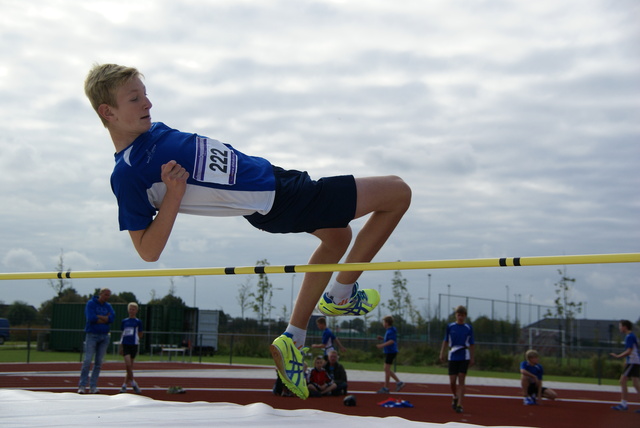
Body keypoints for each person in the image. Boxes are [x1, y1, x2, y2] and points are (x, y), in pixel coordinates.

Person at [84, 64, 411, 400]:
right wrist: (174, 196)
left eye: (146, 94)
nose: (148, 104)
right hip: (280, 200)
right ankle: (341, 296)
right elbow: (147, 250)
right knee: (399, 192)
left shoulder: (152, 132)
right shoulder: (127, 174)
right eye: (135, 98)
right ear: (108, 112)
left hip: (275, 181)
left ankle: (294, 338)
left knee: (339, 236)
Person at [78, 288, 115, 394]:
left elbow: (112, 319)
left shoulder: (108, 306)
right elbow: (91, 318)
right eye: (105, 294)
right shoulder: (91, 304)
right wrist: (104, 318)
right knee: (87, 360)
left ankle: (93, 386)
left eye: (108, 295)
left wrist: (100, 318)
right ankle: (82, 385)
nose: (107, 297)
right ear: (100, 294)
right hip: (92, 335)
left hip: (104, 336)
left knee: (98, 362)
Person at [439, 305, 475, 413]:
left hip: (464, 354)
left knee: (461, 378)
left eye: (462, 315)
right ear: (456, 315)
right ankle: (455, 396)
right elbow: (445, 340)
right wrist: (442, 353)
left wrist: (472, 358)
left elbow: (472, 344)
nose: (460, 317)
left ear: (465, 316)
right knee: (452, 381)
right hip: (453, 355)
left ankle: (460, 404)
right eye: (459, 315)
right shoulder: (450, 326)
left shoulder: (468, 328)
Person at [609, 319, 640, 412]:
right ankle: (623, 404)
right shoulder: (631, 336)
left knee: (622, 381)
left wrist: (618, 356)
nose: (619, 328)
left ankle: (623, 404)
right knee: (635, 384)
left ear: (625, 327)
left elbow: (629, 351)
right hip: (634, 361)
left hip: (633, 362)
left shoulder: (629, 336)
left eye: (620, 326)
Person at [376, 315, 405, 393]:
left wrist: (382, 345)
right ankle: (398, 382)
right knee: (386, 369)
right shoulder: (389, 330)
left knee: (386, 369)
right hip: (390, 351)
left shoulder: (391, 331)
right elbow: (389, 339)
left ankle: (386, 387)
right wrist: (382, 338)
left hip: (391, 352)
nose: (383, 323)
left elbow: (392, 341)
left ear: (387, 323)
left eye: (384, 322)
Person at [119, 302, 144, 394]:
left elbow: (141, 334)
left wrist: (136, 337)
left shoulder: (138, 322)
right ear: (128, 310)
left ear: (136, 311)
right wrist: (120, 346)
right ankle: (133, 383)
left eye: (133, 309)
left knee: (130, 367)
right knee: (128, 365)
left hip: (134, 344)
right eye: (130, 309)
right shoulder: (124, 321)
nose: (131, 311)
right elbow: (122, 333)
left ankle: (124, 385)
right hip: (125, 344)